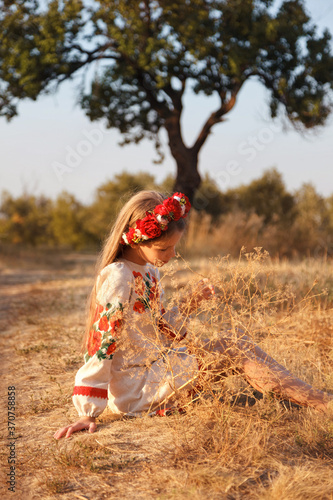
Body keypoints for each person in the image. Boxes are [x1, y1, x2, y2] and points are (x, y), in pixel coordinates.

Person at [54, 191, 332, 439]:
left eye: (175, 247)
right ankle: (323, 403)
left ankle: (313, 398)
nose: (172, 254)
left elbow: (161, 331)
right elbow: (102, 345)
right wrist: (88, 412)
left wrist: (190, 302)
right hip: (135, 388)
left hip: (156, 368)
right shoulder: (118, 276)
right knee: (233, 350)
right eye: (164, 248)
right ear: (135, 239)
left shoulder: (149, 270)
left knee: (237, 342)